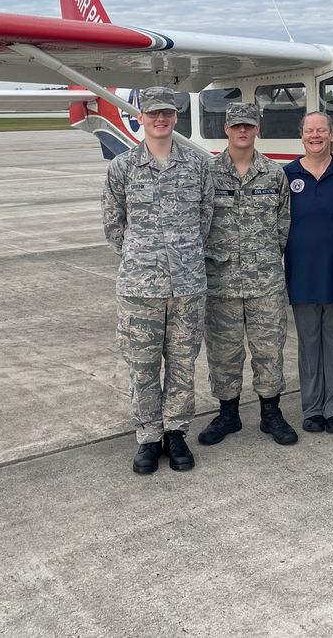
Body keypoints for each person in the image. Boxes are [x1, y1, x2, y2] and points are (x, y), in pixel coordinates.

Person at [101, 86, 213, 475]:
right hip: (140, 288)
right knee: (143, 366)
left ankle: (177, 432)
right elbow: (114, 224)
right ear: (142, 119)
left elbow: (206, 220)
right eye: (153, 114)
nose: (160, 119)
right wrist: (141, 258)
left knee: (182, 363)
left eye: (167, 112)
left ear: (176, 117)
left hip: (187, 287)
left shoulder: (198, 166)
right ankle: (149, 437)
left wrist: (181, 257)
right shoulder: (123, 167)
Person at [197, 103, 297, 447]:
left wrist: (264, 258)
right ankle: (228, 413)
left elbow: (284, 225)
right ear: (226, 129)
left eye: (249, 126)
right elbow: (199, 224)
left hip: (264, 281)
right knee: (223, 352)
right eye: (236, 125)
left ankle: (271, 412)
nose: (243, 131)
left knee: (269, 349)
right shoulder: (207, 173)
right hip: (220, 281)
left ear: (257, 129)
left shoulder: (274, 174)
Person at [284, 111, 333, 435]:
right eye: (309, 131)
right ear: (302, 136)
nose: (315, 136)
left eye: (321, 130)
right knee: (309, 344)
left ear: (331, 135)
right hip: (302, 273)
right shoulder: (287, 175)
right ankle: (312, 408)